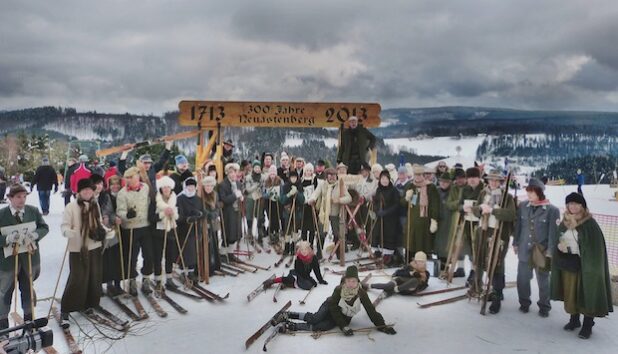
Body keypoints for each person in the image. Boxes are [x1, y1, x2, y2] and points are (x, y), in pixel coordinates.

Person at [551, 192, 613, 339]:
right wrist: (559, 247)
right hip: (568, 265)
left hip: (586, 268)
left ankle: (587, 325)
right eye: (570, 203)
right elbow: (558, 238)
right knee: (570, 293)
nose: (572, 206)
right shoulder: (564, 222)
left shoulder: (590, 224)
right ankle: (574, 320)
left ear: (582, 206)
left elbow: (595, 249)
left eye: (576, 204)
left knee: (587, 294)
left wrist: (587, 261)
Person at [273, 266, 395, 335]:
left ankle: (292, 326)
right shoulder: (339, 290)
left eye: (353, 281)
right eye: (348, 281)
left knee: (322, 326)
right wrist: (343, 326)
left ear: (357, 281)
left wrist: (382, 326)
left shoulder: (361, 293)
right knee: (316, 318)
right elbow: (333, 307)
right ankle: (287, 314)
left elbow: (371, 311)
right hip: (330, 306)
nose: (351, 284)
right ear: (345, 281)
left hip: (341, 316)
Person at [60, 178, 112, 327]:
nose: (87, 192)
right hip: (78, 247)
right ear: (79, 192)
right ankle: (67, 308)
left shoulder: (95, 206)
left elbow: (99, 223)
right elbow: (64, 225)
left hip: (94, 245)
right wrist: (67, 231)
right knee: (78, 277)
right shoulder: (71, 207)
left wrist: (106, 231)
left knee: (94, 277)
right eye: (84, 190)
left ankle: (89, 303)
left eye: (89, 190)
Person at [0, 184, 49, 330]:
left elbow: (44, 227)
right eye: (18, 197)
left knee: (28, 289)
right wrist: (7, 239)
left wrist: (35, 235)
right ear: (10, 198)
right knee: (5, 292)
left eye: (24, 196)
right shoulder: (2, 215)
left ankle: (29, 320)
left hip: (29, 258)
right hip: (8, 261)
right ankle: (3, 325)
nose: (22, 200)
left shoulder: (32, 211)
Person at [470, 170, 516, 313]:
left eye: (496, 181)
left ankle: (497, 294)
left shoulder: (506, 196)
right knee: (480, 259)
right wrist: (479, 209)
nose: (493, 183)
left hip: (499, 234)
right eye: (491, 180)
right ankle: (478, 287)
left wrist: (494, 211)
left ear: (500, 182)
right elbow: (476, 210)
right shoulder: (483, 193)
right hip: (483, 232)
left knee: (496, 263)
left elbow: (511, 215)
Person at [512, 178, 559, 317]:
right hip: (524, 250)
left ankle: (544, 306)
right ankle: (524, 303)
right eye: (528, 192)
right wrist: (515, 242)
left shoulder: (552, 210)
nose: (529, 195)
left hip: (542, 251)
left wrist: (551, 250)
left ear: (539, 192)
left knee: (543, 281)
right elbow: (518, 227)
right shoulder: (523, 206)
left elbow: (553, 233)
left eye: (532, 192)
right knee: (522, 279)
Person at [116, 167, 152, 296]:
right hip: (130, 228)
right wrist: (126, 215)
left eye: (132, 177)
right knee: (132, 256)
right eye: (128, 178)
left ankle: (146, 278)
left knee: (148, 255)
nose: (130, 180)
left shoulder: (145, 188)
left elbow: (150, 202)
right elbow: (120, 211)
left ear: (138, 177)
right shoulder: (122, 193)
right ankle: (132, 280)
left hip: (145, 226)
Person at [308, 168, 352, 260]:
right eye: (330, 175)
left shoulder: (340, 185)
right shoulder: (322, 184)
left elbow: (349, 198)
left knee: (337, 233)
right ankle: (319, 252)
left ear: (336, 176)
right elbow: (315, 193)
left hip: (335, 213)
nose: (332, 177)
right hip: (324, 213)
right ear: (326, 176)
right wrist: (312, 199)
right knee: (321, 232)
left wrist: (339, 200)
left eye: (334, 175)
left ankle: (339, 252)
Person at [402, 165, 440, 261]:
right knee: (410, 243)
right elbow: (402, 203)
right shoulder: (410, 185)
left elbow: (435, 204)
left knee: (422, 244)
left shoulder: (431, 187)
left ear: (423, 175)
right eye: (416, 175)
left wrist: (434, 219)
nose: (418, 177)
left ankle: (422, 263)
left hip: (424, 221)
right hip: (412, 221)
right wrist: (406, 198)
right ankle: (410, 263)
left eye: (420, 175)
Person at [176, 177, 205, 282]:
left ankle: (192, 271)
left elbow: (202, 211)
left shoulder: (198, 198)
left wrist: (200, 214)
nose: (191, 188)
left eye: (193, 186)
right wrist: (187, 218)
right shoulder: (180, 198)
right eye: (189, 186)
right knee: (185, 250)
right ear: (185, 186)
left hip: (195, 229)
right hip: (184, 229)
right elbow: (179, 214)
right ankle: (183, 271)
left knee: (193, 250)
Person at [154, 176, 179, 290]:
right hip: (158, 232)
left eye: (168, 187)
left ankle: (169, 279)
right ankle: (158, 279)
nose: (166, 189)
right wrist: (163, 213)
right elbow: (151, 217)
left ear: (171, 188)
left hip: (171, 231)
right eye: (164, 187)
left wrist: (173, 213)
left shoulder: (174, 199)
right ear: (161, 188)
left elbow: (179, 215)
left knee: (170, 255)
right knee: (158, 256)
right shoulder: (156, 200)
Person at [460, 167, 484, 285]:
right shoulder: (465, 190)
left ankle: (478, 272)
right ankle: (473, 270)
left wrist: (476, 209)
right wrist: (462, 208)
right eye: (469, 178)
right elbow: (460, 204)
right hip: (467, 222)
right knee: (470, 247)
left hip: (480, 223)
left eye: (474, 177)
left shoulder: (483, 189)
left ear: (479, 178)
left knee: (478, 248)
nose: (472, 180)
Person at [372, 170, 402, 266]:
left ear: (389, 180)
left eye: (386, 179)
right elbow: (376, 202)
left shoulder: (393, 190)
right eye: (382, 179)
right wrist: (377, 211)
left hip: (390, 219)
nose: (384, 181)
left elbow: (396, 204)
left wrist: (386, 212)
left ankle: (388, 256)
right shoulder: (378, 190)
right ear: (380, 180)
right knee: (377, 234)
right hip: (380, 218)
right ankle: (378, 253)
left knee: (388, 236)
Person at [444, 168, 467, 277]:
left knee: (469, 247)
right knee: (457, 245)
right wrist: (460, 204)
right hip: (457, 220)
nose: (459, 181)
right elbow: (449, 204)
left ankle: (473, 271)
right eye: (457, 178)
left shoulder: (468, 188)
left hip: (469, 220)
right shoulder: (454, 189)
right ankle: (460, 268)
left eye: (461, 178)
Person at [218, 163, 243, 261]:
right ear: (227, 173)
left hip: (237, 211)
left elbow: (240, 193)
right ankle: (223, 254)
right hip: (227, 212)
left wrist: (241, 197)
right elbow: (224, 199)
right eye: (231, 172)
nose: (233, 174)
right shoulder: (223, 185)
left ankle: (230, 253)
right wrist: (235, 196)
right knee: (227, 233)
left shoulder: (238, 183)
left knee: (235, 233)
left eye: (234, 172)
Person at [279, 171, 304, 256]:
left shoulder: (300, 186)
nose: (293, 179)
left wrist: (297, 193)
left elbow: (302, 200)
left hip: (297, 211)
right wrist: (289, 194)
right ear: (289, 178)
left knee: (295, 230)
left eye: (295, 177)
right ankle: (286, 247)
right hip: (288, 211)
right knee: (287, 229)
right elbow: (282, 200)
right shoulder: (285, 186)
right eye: (292, 177)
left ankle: (293, 246)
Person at [300, 163, 321, 257]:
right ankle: (304, 244)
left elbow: (317, 190)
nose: (308, 172)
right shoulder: (302, 179)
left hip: (312, 205)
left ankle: (311, 244)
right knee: (304, 226)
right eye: (307, 170)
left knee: (312, 226)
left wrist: (314, 200)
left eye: (310, 170)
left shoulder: (314, 179)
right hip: (304, 205)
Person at [201, 176, 221, 276]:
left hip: (213, 222)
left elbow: (217, 207)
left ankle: (215, 265)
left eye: (210, 186)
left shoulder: (215, 194)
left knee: (214, 243)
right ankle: (207, 266)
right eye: (206, 186)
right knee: (208, 245)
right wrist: (206, 213)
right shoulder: (201, 196)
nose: (208, 188)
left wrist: (215, 214)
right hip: (205, 224)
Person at [244, 160, 265, 248]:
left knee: (259, 216)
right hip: (250, 199)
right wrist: (255, 186)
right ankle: (249, 233)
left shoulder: (262, 177)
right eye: (256, 167)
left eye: (258, 168)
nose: (257, 169)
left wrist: (262, 190)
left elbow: (264, 188)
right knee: (250, 215)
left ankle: (260, 233)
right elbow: (248, 189)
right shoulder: (248, 177)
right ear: (253, 168)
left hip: (259, 198)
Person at [434, 171, 453, 267]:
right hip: (438, 219)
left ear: (449, 182)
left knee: (446, 243)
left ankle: (446, 264)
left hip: (448, 220)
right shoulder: (437, 191)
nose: (443, 183)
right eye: (441, 181)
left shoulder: (452, 192)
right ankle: (439, 262)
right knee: (438, 243)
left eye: (445, 182)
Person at [263, 165, 283, 252]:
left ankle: (277, 234)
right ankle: (271, 234)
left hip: (277, 202)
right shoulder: (266, 182)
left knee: (277, 217)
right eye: (271, 173)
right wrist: (267, 195)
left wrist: (280, 197)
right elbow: (263, 194)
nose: (272, 175)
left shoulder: (279, 181)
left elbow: (282, 192)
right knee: (271, 218)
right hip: (269, 202)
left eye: (274, 173)